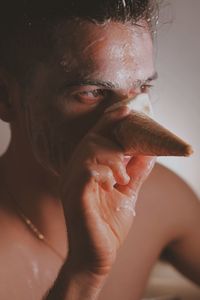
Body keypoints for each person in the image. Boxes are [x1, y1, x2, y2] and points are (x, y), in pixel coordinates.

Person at [0, 1, 199, 299]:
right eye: (92, 93)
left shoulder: (161, 198)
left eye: (142, 89)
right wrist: (84, 275)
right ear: (5, 96)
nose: (128, 124)